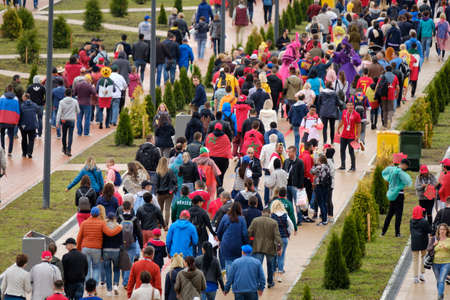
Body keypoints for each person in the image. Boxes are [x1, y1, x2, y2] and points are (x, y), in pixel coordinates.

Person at [76, 206, 122, 284]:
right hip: (97, 248)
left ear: (90, 214)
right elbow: (110, 233)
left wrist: (78, 249)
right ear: (98, 214)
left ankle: (88, 286)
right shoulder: (102, 223)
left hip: (85, 248)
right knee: (96, 267)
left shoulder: (84, 223)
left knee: (87, 268)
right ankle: (94, 286)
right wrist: (119, 228)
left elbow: (79, 237)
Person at [248, 207, 281, 288]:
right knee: (270, 266)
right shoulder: (274, 222)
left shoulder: (255, 220)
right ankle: (270, 282)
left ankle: (258, 282)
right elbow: (277, 237)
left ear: (262, 212)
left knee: (258, 265)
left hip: (257, 246)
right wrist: (279, 247)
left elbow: (249, 232)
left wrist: (252, 240)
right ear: (270, 213)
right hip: (270, 248)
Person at [381, 159, 413, 237]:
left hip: (392, 194)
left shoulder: (391, 169)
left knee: (390, 214)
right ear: (404, 165)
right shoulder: (401, 173)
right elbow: (408, 182)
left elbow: (384, 172)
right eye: (407, 167)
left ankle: (383, 232)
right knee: (398, 214)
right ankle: (397, 233)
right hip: (399, 194)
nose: (406, 168)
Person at [217, 202, 249, 275]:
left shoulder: (225, 217)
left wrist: (220, 240)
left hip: (226, 244)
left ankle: (229, 282)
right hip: (238, 245)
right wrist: (246, 243)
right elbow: (244, 234)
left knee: (228, 263)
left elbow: (219, 231)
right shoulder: (242, 219)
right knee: (238, 264)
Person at [270, 200, 294, 283]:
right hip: (284, 238)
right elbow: (291, 225)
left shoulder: (272, 216)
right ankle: (280, 275)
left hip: (274, 238)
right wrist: (289, 233)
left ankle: (272, 275)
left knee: (273, 256)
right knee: (281, 256)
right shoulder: (285, 215)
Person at [410, 205, 432, 284]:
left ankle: (415, 277)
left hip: (414, 242)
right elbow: (430, 230)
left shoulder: (411, 221)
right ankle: (422, 275)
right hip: (423, 242)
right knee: (423, 258)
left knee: (415, 260)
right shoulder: (424, 221)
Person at [337, 102, 361, 172]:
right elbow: (342, 121)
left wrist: (358, 136)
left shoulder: (356, 115)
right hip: (344, 135)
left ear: (353, 106)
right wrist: (338, 128)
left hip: (352, 136)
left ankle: (353, 167)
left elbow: (359, 126)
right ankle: (343, 165)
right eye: (348, 105)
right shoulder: (344, 112)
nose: (350, 106)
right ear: (346, 106)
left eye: (351, 105)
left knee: (351, 151)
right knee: (342, 150)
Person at [283, 146, 305, 222]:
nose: (288, 153)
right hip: (287, 186)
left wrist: (300, 186)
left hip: (295, 186)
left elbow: (302, 175)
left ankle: (299, 219)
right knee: (289, 205)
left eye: (289, 152)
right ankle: (291, 220)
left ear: (294, 152)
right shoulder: (286, 161)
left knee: (297, 204)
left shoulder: (300, 162)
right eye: (288, 152)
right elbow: (284, 172)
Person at [56, 88, 80, 157]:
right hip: (72, 119)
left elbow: (59, 112)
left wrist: (57, 122)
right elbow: (78, 111)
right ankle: (69, 149)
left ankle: (64, 148)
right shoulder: (75, 101)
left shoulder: (61, 102)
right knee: (70, 135)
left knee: (64, 135)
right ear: (71, 94)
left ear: (65, 94)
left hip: (64, 120)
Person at [0, 85, 20, 156]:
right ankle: (10, 152)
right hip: (11, 121)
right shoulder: (16, 99)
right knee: (11, 136)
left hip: (2, 120)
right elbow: (18, 111)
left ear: (6, 89)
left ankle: (2, 149)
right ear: (12, 90)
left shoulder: (2, 98)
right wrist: (17, 121)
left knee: (2, 134)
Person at [432, 223, 450, 300]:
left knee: (442, 280)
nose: (442, 231)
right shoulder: (435, 239)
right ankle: (441, 294)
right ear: (438, 230)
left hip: (446, 263)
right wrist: (433, 245)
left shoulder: (449, 240)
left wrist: (445, 247)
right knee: (439, 281)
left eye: (444, 229)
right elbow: (428, 249)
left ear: (446, 231)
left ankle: (439, 297)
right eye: (440, 229)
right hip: (435, 263)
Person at [18, 93, 39, 158]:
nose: (22, 98)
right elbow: (38, 110)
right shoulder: (34, 105)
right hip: (32, 125)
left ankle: (24, 153)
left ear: (25, 98)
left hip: (23, 125)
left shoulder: (21, 105)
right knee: (31, 140)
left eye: (23, 97)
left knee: (24, 139)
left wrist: (19, 124)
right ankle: (30, 152)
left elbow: (19, 115)